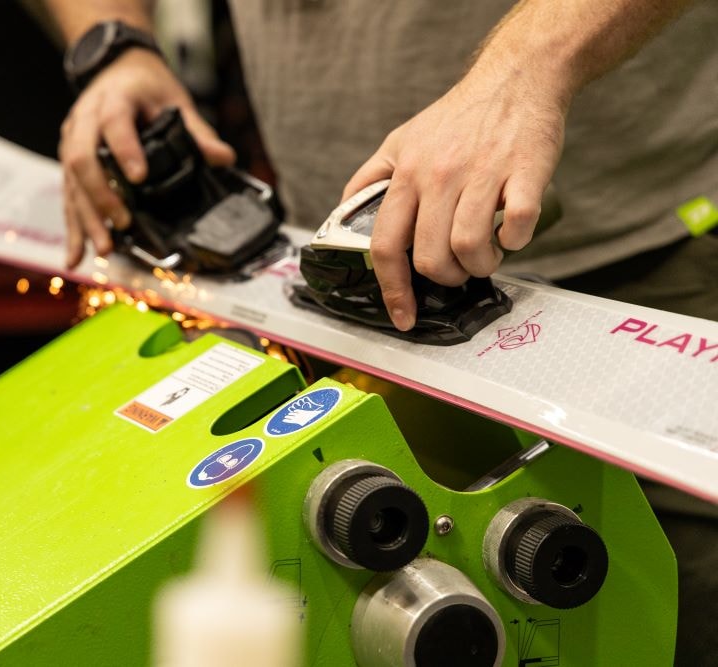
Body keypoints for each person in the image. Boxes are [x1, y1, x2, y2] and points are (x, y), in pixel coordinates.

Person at [43, 1, 717, 662]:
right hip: (345, 290)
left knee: (672, 615)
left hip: (637, 271)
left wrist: (522, 74)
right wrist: (112, 44)